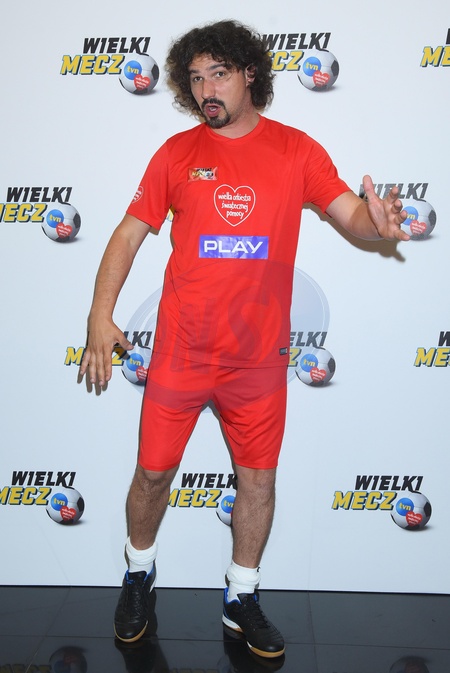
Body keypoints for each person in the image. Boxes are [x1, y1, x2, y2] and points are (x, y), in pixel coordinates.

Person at [80, 19, 409, 660]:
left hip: (258, 360)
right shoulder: (176, 153)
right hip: (181, 352)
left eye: (219, 74)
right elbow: (127, 233)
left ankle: (242, 596)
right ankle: (139, 574)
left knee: (256, 483)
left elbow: (353, 216)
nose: (206, 88)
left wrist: (379, 224)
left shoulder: (297, 151)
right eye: (196, 78)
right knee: (152, 473)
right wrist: (100, 313)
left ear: (249, 73)